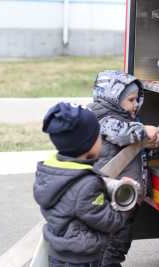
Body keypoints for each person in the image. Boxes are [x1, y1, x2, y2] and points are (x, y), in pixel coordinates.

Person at [33, 102, 128, 267]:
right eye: (99, 135)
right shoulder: (87, 185)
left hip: (59, 253)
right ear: (88, 144)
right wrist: (125, 196)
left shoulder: (50, 172)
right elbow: (110, 221)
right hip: (83, 259)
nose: (102, 139)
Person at [88, 70, 159, 267]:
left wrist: (149, 148)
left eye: (137, 99)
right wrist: (143, 131)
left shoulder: (126, 121)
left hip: (125, 200)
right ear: (112, 98)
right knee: (111, 247)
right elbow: (120, 135)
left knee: (119, 243)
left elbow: (132, 153)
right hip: (111, 201)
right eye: (131, 100)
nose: (136, 104)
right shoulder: (103, 119)